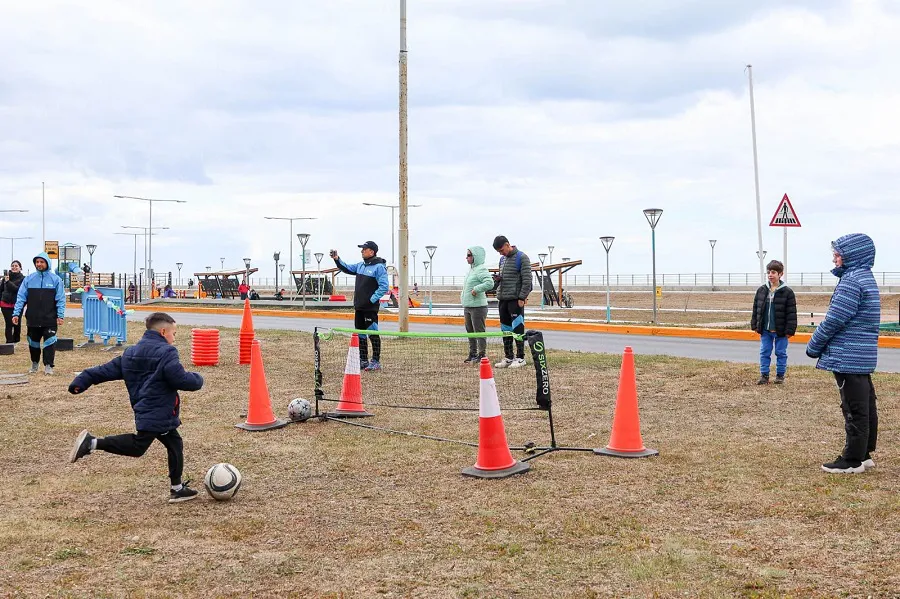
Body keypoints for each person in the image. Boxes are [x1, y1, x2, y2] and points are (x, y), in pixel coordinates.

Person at [67, 312, 205, 503]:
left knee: (174, 443)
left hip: (147, 408)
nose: (174, 338)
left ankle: (177, 488)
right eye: (173, 333)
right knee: (138, 447)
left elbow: (104, 370)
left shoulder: (131, 352)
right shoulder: (167, 352)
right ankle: (92, 443)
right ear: (163, 332)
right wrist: (198, 379)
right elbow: (180, 379)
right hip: (157, 412)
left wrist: (83, 380)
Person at [806, 234, 881, 474]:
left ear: (852, 255)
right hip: (861, 356)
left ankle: (852, 460)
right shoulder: (865, 278)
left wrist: (813, 346)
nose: (834, 259)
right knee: (865, 404)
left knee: (853, 408)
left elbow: (834, 320)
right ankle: (864, 453)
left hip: (847, 355)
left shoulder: (851, 281)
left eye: (838, 255)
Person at [331, 241, 389, 371]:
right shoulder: (360, 265)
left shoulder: (379, 267)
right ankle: (363, 360)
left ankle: (375, 361)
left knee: (372, 333)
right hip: (359, 307)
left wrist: (371, 300)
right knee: (360, 333)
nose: (362, 251)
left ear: (372, 252)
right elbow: (346, 268)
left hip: (370, 308)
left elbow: (384, 286)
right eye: (362, 249)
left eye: (364, 249)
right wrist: (337, 259)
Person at [12, 252, 65, 375]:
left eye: (41, 262)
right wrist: (16, 314)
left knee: (50, 342)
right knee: (33, 343)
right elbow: (21, 298)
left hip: (50, 318)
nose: (39, 264)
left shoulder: (56, 280)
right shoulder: (28, 279)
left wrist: (60, 315)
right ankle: (34, 363)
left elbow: (61, 299)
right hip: (33, 318)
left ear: (47, 263)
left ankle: (48, 366)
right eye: (37, 262)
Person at [750, 260, 797, 384]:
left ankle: (780, 376)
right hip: (765, 330)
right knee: (764, 352)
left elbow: (791, 313)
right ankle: (764, 375)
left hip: (781, 331)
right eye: (769, 272)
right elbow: (756, 309)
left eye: (773, 272)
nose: (770, 275)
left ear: (780, 274)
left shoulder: (787, 292)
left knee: (780, 353)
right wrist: (755, 325)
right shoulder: (761, 290)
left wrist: (790, 330)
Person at [491, 235, 532, 368]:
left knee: (518, 329)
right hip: (503, 299)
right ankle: (509, 357)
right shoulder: (502, 260)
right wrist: (498, 279)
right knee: (506, 329)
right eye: (498, 251)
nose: (501, 253)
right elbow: (506, 276)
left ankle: (520, 357)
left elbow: (527, 280)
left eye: (501, 250)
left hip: (515, 300)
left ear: (507, 245)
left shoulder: (522, 257)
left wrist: (522, 297)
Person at [461, 246, 495, 364]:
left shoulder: (481, 269)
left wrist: (477, 289)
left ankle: (482, 354)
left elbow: (490, 283)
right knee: (470, 331)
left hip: (478, 307)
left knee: (479, 332)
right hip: (468, 306)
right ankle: (473, 353)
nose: (466, 257)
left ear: (476, 256)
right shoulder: (471, 270)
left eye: (469, 255)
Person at [1, 260, 25, 344]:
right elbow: (1, 290)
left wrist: (8, 282)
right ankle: (9, 342)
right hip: (5, 305)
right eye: (12, 266)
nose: (14, 267)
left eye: (16, 266)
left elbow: (17, 290)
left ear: (20, 268)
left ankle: (16, 340)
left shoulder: (23, 279)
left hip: (17, 305)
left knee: (16, 324)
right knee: (8, 324)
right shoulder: (5, 278)